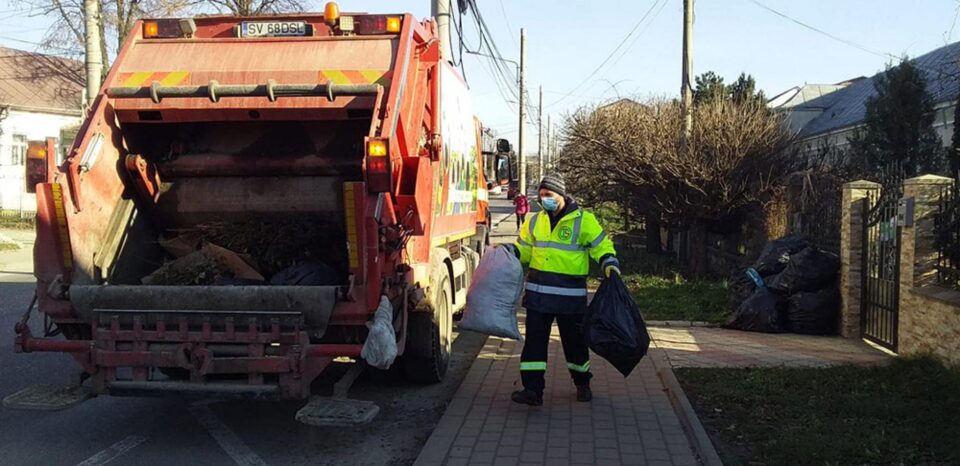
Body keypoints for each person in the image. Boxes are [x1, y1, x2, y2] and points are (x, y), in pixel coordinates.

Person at [503, 174, 620, 406]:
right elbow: (525, 249)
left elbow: (601, 246)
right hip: (538, 296)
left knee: (575, 344)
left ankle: (582, 382)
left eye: (549, 195)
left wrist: (609, 263)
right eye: (542, 195)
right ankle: (532, 390)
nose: (544, 199)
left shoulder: (583, 220)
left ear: (562, 195)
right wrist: (511, 251)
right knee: (534, 345)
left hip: (569, 297)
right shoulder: (535, 221)